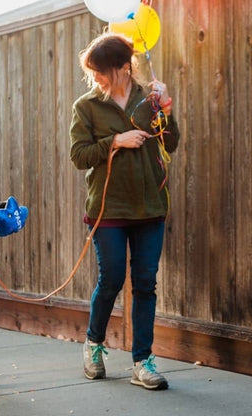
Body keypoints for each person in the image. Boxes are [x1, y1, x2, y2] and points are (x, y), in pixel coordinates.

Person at [69, 32, 179, 390]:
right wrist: (115, 140)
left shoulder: (149, 97)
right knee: (112, 279)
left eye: (100, 71)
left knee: (146, 283)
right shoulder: (86, 107)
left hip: (149, 206)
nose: (95, 78)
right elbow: (79, 156)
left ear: (122, 68)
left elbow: (171, 143)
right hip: (108, 208)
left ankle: (142, 362)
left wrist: (167, 113)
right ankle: (94, 343)